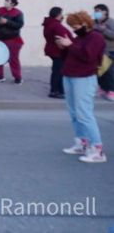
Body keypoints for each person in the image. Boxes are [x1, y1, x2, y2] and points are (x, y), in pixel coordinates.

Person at [55, 11, 107, 163]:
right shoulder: (79, 38)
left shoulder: (96, 38)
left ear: (85, 24)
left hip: (84, 78)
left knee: (84, 114)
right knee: (74, 113)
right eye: (71, 27)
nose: (73, 29)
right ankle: (82, 142)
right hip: (70, 76)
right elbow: (71, 56)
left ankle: (97, 149)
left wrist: (70, 45)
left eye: (75, 26)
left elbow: (88, 57)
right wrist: (63, 48)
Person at [0, 0, 25, 84]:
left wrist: (7, 22)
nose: (5, 2)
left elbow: (19, 25)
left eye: (7, 1)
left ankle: (18, 77)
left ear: (12, 3)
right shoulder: (0, 10)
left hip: (12, 39)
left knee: (13, 59)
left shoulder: (18, 13)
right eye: (5, 0)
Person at [43, 7, 71, 99]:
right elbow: (62, 37)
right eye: (61, 14)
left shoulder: (49, 24)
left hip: (53, 50)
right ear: (58, 15)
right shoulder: (56, 25)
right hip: (58, 51)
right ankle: (56, 91)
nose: (62, 16)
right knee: (58, 72)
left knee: (57, 70)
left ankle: (57, 90)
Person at [92, 4, 114, 101]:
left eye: (98, 11)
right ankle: (102, 88)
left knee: (110, 72)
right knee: (99, 71)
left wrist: (104, 30)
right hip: (98, 51)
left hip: (110, 51)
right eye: (95, 11)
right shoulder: (93, 22)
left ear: (105, 12)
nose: (96, 13)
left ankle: (111, 91)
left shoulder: (110, 22)